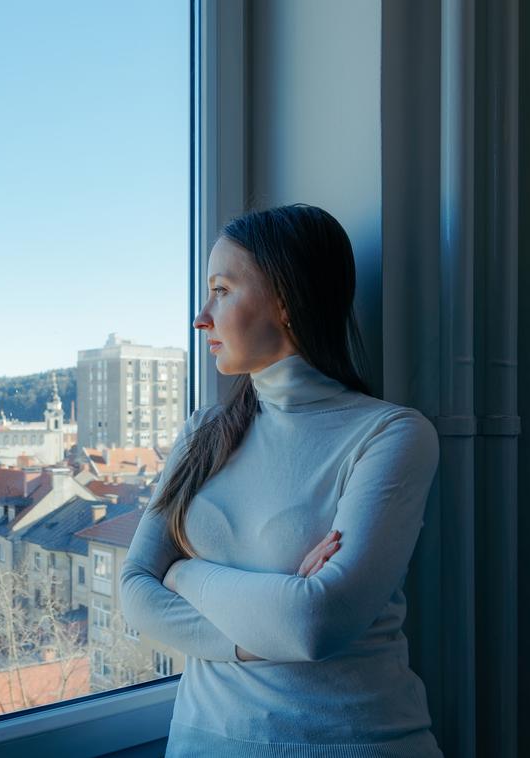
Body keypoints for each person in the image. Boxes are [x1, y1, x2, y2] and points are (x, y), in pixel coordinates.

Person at [119, 204, 444, 757]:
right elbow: (134, 596)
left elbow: (315, 621)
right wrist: (268, 619)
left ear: (287, 301)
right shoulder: (203, 432)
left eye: (222, 289)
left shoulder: (391, 434)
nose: (202, 317)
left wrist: (182, 572)